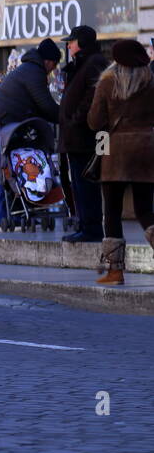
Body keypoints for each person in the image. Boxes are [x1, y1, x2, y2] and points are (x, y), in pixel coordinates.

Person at [86, 38, 154, 285]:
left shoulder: (107, 83)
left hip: (115, 153)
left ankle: (115, 272)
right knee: (146, 211)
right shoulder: (151, 82)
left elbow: (94, 121)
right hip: (147, 151)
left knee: (112, 212)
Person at [0, 39, 60, 230]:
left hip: (11, 123)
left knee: (13, 168)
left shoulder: (29, 69)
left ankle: (21, 214)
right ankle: (2, 217)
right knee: (5, 170)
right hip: (4, 123)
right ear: (48, 61)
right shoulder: (34, 72)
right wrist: (64, 117)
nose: (52, 70)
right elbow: (45, 104)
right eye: (54, 65)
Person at [58, 25, 107, 243]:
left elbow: (92, 96)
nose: (68, 45)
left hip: (84, 136)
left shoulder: (94, 62)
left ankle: (92, 228)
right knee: (78, 182)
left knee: (86, 183)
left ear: (82, 43)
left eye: (72, 41)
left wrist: (75, 120)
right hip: (75, 136)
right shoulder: (81, 63)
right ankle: (85, 224)